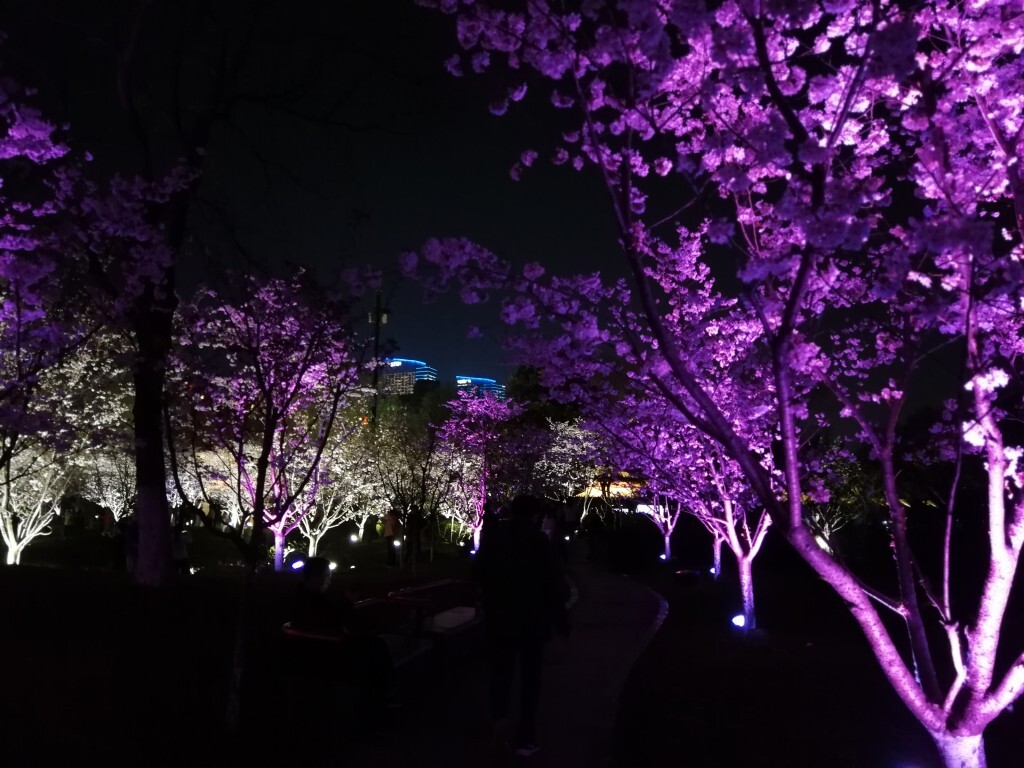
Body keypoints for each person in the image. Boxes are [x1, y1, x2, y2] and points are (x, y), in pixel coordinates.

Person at [476, 494, 571, 758]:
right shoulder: (538, 541)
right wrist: (561, 619)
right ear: (534, 514)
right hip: (532, 621)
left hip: (500, 618)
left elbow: (478, 573)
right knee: (530, 680)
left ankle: (499, 720)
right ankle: (526, 736)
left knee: (501, 674)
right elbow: (553, 582)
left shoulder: (495, 537)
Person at [288, 557, 397, 726]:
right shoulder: (310, 600)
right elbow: (329, 621)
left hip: (322, 650)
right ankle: (386, 699)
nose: (329, 581)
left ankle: (384, 699)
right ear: (315, 577)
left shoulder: (308, 597)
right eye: (327, 577)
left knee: (375, 647)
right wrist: (347, 603)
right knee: (375, 648)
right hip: (323, 654)